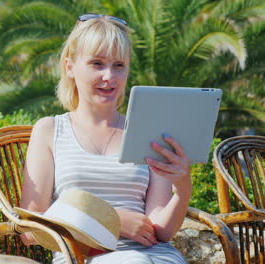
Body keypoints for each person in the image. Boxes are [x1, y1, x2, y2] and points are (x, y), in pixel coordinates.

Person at [19, 13, 190, 264]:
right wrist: (113, 220)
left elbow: (160, 231)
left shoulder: (148, 132)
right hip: (83, 256)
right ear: (70, 67)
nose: (109, 77)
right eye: (97, 64)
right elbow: (30, 228)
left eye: (118, 65)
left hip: (155, 256)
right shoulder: (50, 130)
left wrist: (183, 189)